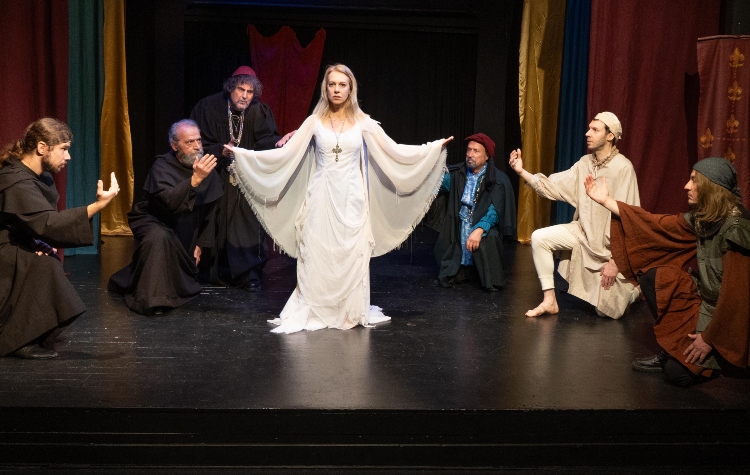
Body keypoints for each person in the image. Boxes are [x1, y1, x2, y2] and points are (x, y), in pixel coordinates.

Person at [229, 63, 452, 334]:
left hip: (351, 197)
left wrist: (432, 149)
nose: (336, 89)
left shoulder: (363, 122)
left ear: (350, 89)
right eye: (332, 84)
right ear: (326, 88)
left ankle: (348, 310)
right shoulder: (314, 122)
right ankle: (316, 307)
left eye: (342, 85)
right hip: (321, 195)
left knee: (349, 252)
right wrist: (243, 155)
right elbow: (285, 154)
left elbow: (394, 150)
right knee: (316, 251)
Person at [584, 157, 750, 387]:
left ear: (711, 187)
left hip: (731, 319)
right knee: (655, 279)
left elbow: (737, 299)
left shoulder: (736, 230)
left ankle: (726, 360)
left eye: (694, 181)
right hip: (707, 303)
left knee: (676, 373)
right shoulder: (706, 217)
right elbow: (657, 225)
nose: (687, 186)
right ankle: (675, 347)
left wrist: (709, 338)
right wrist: (607, 201)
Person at [0, 118, 119, 359]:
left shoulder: (41, 177)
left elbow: (36, 223)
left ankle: (27, 333)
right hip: (3, 247)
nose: (68, 156)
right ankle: (17, 339)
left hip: (15, 241)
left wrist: (38, 241)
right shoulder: (15, 180)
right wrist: (97, 206)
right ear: (42, 148)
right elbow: (46, 223)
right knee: (40, 264)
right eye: (63, 149)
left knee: (46, 260)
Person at [508, 112, 641, 318]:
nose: (587, 133)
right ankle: (550, 300)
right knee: (539, 237)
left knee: (607, 312)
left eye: (595, 130)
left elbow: (630, 218)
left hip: (608, 247)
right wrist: (521, 172)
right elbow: (553, 185)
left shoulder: (623, 168)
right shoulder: (584, 163)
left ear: (610, 136)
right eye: (589, 128)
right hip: (582, 233)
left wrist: (615, 261)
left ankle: (635, 291)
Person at [190, 66, 294, 292]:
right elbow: (195, 144)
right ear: (231, 88)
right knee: (214, 221)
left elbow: (265, 140)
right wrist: (220, 150)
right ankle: (211, 271)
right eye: (240, 90)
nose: (245, 96)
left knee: (246, 224)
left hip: (245, 177)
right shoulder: (208, 107)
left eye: (249, 92)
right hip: (216, 174)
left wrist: (279, 142)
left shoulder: (259, 111)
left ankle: (248, 274)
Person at [108, 120, 222, 316]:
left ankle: (140, 283)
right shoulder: (162, 166)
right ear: (174, 146)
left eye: (198, 140)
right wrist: (195, 180)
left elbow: (211, 211)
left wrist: (201, 244)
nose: (197, 146)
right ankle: (151, 300)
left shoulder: (206, 170)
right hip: (153, 220)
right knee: (159, 238)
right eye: (189, 142)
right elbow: (170, 203)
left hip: (185, 227)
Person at [434, 133, 516, 291]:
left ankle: (484, 273)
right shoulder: (457, 174)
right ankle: (462, 267)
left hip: (482, 224)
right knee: (450, 244)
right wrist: (436, 156)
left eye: (476, 151)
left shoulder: (497, 179)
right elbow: (435, 181)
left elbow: (496, 209)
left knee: (489, 236)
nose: (470, 154)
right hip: (460, 225)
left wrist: (480, 228)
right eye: (468, 150)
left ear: (487, 156)